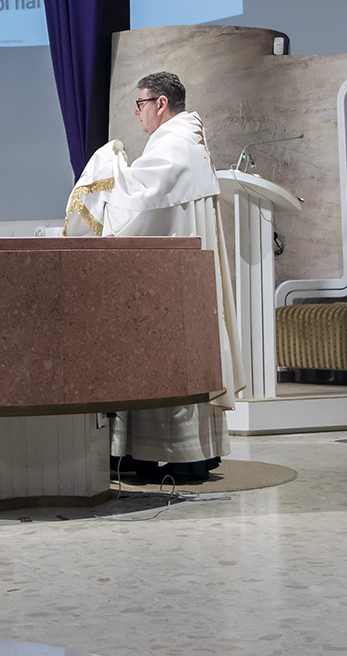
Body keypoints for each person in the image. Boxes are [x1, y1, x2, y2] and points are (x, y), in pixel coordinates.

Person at [63, 72, 244, 481]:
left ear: (161, 103)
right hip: (178, 277)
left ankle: (179, 454)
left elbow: (132, 199)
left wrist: (107, 160)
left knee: (165, 355)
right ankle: (171, 452)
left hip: (172, 282)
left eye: (140, 104)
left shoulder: (175, 144)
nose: (137, 112)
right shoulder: (184, 139)